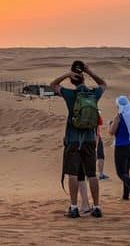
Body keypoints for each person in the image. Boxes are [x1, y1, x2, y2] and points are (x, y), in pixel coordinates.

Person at [50, 61, 108, 218]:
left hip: (73, 140)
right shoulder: (94, 94)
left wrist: (66, 74)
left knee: (73, 174)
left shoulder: (71, 95)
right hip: (90, 139)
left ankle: (74, 207)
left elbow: (53, 85)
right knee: (92, 174)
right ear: (83, 79)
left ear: (72, 81)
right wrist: (90, 72)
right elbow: (103, 84)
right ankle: (96, 207)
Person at [110, 95, 130, 201]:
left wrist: (111, 124)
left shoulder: (118, 117)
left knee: (121, 173)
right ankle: (125, 196)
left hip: (121, 147)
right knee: (126, 172)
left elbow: (111, 132)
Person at [96, 115, 109, 180]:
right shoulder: (95, 111)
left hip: (85, 136)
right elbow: (100, 122)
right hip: (96, 136)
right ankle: (100, 174)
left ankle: (88, 174)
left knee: (89, 156)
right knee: (100, 156)